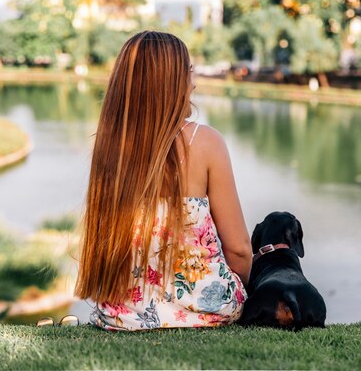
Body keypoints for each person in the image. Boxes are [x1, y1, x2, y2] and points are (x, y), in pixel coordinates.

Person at [74, 31, 252, 330]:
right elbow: (239, 250)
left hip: (122, 314)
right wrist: (242, 287)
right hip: (207, 310)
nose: (193, 83)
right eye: (188, 73)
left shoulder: (109, 147)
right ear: (171, 82)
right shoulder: (205, 141)